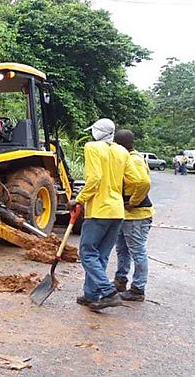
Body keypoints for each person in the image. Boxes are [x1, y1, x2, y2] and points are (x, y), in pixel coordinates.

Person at [69, 118, 144, 311]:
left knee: (87, 253)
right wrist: (132, 200)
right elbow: (137, 179)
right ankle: (91, 295)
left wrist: (79, 199)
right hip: (117, 211)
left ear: (98, 132)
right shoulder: (121, 151)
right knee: (100, 255)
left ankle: (108, 292)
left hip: (99, 211)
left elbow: (94, 179)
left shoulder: (92, 147)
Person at [113, 130, 153, 302]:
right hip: (126, 214)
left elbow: (143, 182)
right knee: (122, 250)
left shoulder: (133, 159)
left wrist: (134, 201)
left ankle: (138, 289)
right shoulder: (127, 157)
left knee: (137, 252)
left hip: (137, 215)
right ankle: (120, 280)